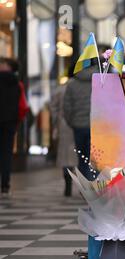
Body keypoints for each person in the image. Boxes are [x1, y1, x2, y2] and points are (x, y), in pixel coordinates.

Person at [63, 64, 99, 180]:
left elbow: (67, 106)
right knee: (96, 158)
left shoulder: (72, 83)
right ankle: (95, 185)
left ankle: (85, 187)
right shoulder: (100, 81)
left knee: (82, 157)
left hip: (78, 125)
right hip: (96, 125)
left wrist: (71, 122)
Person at [0, 57, 29, 197]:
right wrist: (16, 120)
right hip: (10, 122)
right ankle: (5, 186)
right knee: (6, 154)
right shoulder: (18, 84)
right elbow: (23, 106)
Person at [48, 68, 77, 197]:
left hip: (64, 126)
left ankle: (68, 184)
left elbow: (53, 108)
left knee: (66, 157)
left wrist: (55, 124)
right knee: (84, 157)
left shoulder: (61, 89)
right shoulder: (88, 87)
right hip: (84, 126)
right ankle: (87, 188)